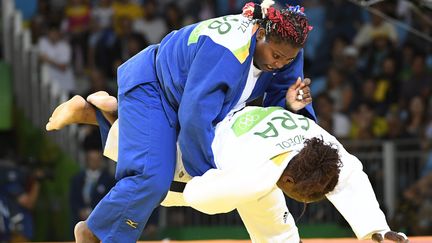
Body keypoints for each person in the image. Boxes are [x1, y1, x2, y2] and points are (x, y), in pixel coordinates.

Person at [48, 1, 315, 242]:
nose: (280, 64)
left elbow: (278, 106)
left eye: (288, 59)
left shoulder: (286, 46)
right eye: (276, 56)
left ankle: (101, 114)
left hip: (194, 99)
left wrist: (291, 105)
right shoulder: (228, 52)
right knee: (153, 177)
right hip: (154, 88)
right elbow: (194, 119)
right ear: (259, 33)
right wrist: (209, 178)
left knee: (173, 158)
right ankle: (94, 232)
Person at [46, 92, 408, 243]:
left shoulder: (322, 148)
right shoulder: (256, 178)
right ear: (291, 178)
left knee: (270, 216)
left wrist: (377, 231)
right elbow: (203, 196)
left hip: (230, 117)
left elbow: (351, 177)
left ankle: (112, 112)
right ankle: (103, 116)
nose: (302, 200)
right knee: (163, 180)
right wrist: (177, 195)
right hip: (203, 147)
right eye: (300, 193)